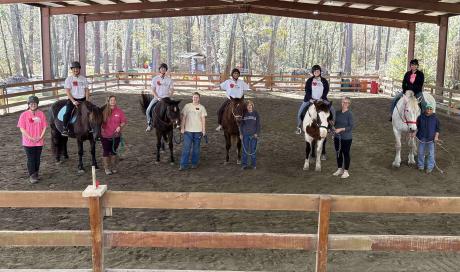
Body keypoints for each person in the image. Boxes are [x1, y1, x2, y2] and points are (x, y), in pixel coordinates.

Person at [17, 96, 48, 184]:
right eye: (31, 104)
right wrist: (30, 137)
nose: (33, 105)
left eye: (34, 103)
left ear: (37, 104)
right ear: (29, 105)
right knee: (31, 158)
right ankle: (32, 175)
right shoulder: (24, 115)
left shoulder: (41, 114)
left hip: (39, 141)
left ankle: (36, 173)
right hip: (28, 142)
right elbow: (22, 128)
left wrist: (41, 136)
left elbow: (45, 126)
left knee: (37, 158)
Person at [296, 65, 330, 134]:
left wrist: (322, 98)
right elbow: (307, 90)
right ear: (313, 72)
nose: (316, 72)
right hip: (310, 100)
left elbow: (326, 90)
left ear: (320, 72)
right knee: (300, 112)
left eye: (318, 71)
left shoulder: (324, 81)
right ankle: (299, 126)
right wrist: (310, 99)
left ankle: (330, 127)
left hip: (321, 100)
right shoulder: (310, 80)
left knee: (331, 110)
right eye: (315, 71)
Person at [179, 92, 207, 170]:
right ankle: (183, 164)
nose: (195, 98)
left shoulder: (202, 107)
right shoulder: (187, 106)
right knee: (186, 148)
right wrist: (182, 127)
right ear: (192, 98)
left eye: (197, 97)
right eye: (194, 97)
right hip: (188, 131)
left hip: (198, 131)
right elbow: (183, 118)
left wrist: (203, 130)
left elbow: (203, 119)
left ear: (199, 99)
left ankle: (194, 163)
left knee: (196, 148)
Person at [62, 61, 90, 137]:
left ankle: (91, 128)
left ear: (79, 69)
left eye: (77, 69)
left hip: (83, 99)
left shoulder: (83, 79)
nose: (75, 70)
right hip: (73, 100)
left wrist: (87, 101)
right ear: (72, 70)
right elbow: (67, 91)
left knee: (90, 112)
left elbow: (87, 90)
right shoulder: (69, 79)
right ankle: (65, 128)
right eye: (74, 69)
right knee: (68, 112)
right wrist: (73, 101)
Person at [101, 95, 127, 175]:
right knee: (106, 151)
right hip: (105, 136)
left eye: (114, 100)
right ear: (108, 101)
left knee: (113, 151)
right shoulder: (103, 111)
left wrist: (119, 126)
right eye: (111, 100)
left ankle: (113, 167)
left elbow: (123, 121)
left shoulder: (119, 111)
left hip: (116, 136)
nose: (113, 101)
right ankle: (107, 168)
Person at [146, 63, 174, 132]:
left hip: (166, 98)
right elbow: (153, 90)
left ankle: (174, 123)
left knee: (175, 109)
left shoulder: (169, 80)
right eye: (161, 68)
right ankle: (149, 124)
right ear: (159, 70)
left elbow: (172, 90)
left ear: (166, 70)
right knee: (148, 110)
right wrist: (157, 97)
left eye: (164, 68)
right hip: (157, 98)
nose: (163, 69)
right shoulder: (155, 79)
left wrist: (169, 96)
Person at [332, 97, 354, 179]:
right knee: (338, 153)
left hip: (347, 138)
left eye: (346, 102)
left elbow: (351, 126)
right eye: (343, 102)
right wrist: (332, 126)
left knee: (346, 153)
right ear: (341, 103)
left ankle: (346, 171)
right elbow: (334, 123)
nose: (344, 104)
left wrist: (341, 129)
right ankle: (339, 169)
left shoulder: (350, 114)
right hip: (337, 137)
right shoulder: (337, 113)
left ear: (349, 104)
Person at [416, 103, 440, 174]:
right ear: (425, 109)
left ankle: (430, 167)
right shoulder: (420, 117)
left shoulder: (435, 118)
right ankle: (421, 166)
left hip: (431, 139)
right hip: (422, 137)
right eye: (428, 108)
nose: (429, 110)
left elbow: (437, 129)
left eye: (430, 109)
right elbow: (417, 127)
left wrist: (436, 136)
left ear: (432, 110)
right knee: (420, 152)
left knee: (431, 153)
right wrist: (414, 133)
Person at [239, 100, 261, 170]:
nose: (249, 107)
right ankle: (244, 164)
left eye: (250, 106)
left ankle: (253, 165)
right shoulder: (244, 114)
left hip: (253, 135)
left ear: (252, 106)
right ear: (246, 107)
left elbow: (258, 124)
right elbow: (241, 125)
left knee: (252, 151)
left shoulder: (256, 113)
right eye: (248, 106)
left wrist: (257, 133)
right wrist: (241, 134)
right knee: (244, 150)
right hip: (245, 135)